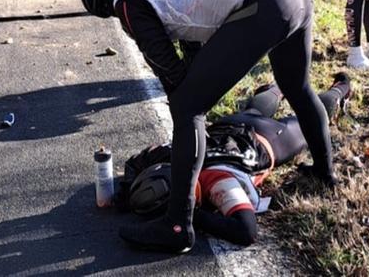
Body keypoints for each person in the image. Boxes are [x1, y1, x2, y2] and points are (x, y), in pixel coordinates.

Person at [80, 0, 336, 253]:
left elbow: (170, 72)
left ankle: (176, 225)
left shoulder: (126, 2)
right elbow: (193, 39)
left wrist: (191, 110)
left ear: (101, 5)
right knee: (298, 87)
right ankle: (326, 173)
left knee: (188, 108)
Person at [120, 76, 351, 246]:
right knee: (253, 110)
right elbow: (133, 165)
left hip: (269, 139)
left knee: (308, 119)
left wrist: (194, 215)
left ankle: (342, 88)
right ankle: (278, 86)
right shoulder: (169, 154)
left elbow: (246, 231)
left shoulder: (218, 181)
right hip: (231, 125)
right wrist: (126, 190)